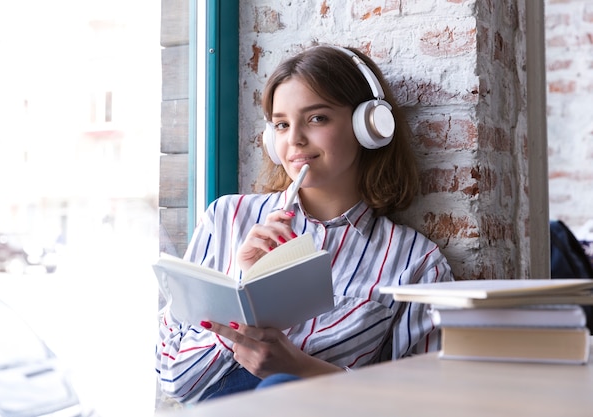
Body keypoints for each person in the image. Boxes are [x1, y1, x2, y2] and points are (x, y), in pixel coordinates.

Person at [155, 44, 454, 404]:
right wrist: (243, 291)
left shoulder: (414, 262)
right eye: (281, 124)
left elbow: (424, 402)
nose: (294, 139)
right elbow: (173, 379)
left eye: (317, 119)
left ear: (369, 125)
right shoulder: (226, 219)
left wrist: (301, 369)